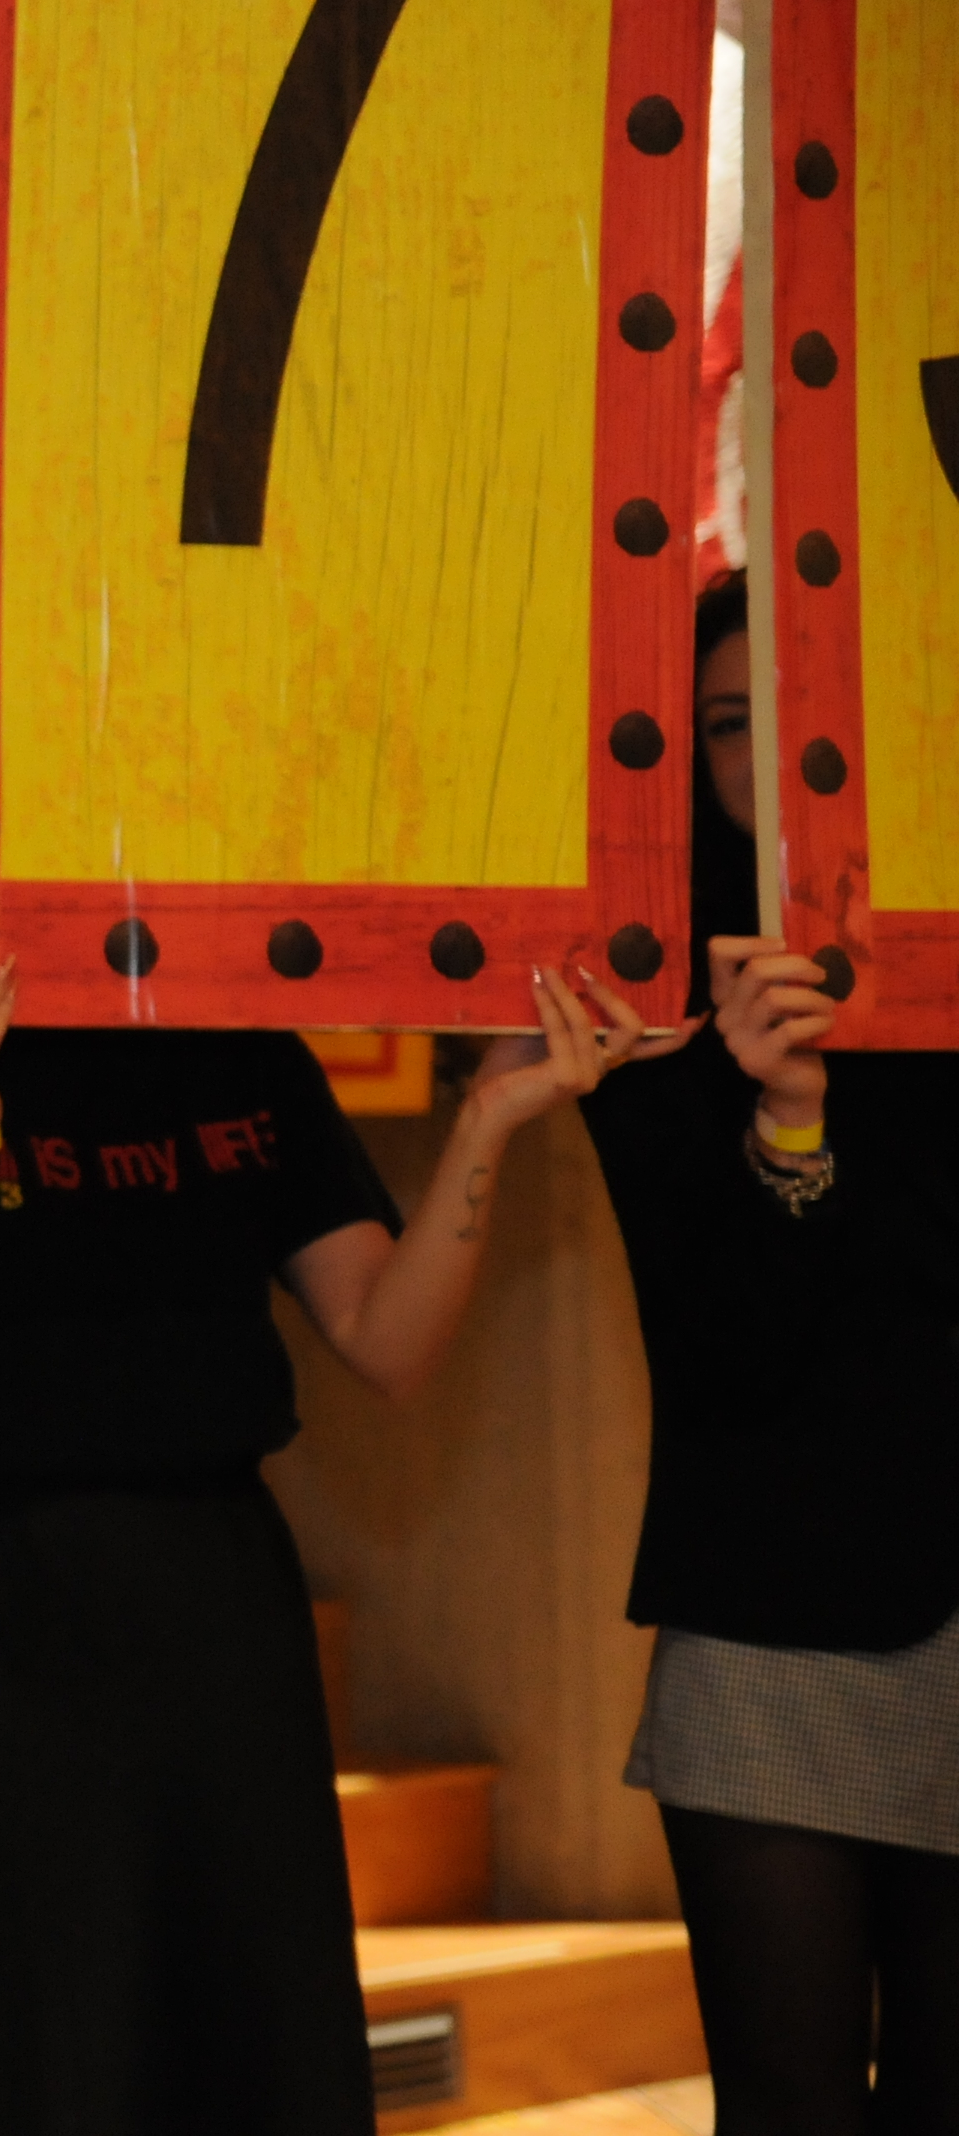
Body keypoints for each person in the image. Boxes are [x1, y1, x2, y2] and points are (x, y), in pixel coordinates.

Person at [0, 911, 620, 2134]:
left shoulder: (236, 1039)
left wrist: (489, 1118)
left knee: (243, 2029)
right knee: (16, 2042)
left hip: (219, 1604)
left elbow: (389, 1342)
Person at [574, 572, 957, 2136]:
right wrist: (787, 1119)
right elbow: (727, 1352)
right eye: (734, 724)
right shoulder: (648, 995)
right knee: (791, 2102)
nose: (779, 762)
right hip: (773, 1615)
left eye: (813, 722)